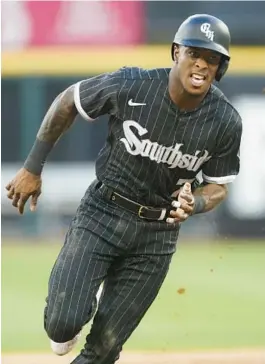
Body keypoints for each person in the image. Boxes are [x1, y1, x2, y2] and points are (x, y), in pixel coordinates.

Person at [6, 13, 242, 364]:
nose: (201, 64)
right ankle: (80, 302)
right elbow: (68, 101)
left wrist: (196, 204)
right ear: (176, 52)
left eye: (212, 59)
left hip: (157, 234)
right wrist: (32, 167)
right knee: (61, 323)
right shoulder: (133, 84)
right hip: (103, 212)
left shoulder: (225, 121)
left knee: (104, 350)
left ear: (221, 67)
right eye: (194, 53)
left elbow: (218, 186)